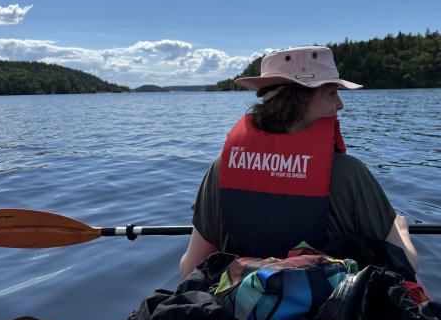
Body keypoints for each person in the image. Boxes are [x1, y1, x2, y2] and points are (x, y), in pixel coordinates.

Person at [179, 45, 419, 278]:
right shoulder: (349, 173)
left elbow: (189, 269)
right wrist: (401, 229)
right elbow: (408, 265)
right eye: (332, 93)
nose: (340, 104)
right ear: (300, 100)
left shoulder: (222, 167)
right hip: (329, 315)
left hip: (246, 311)